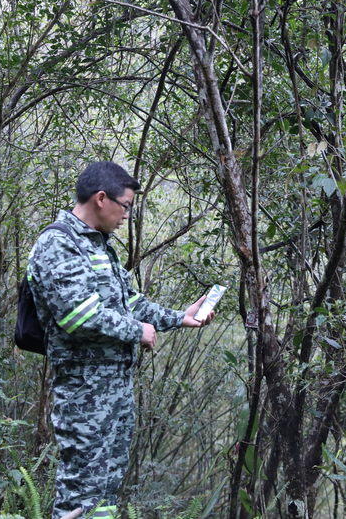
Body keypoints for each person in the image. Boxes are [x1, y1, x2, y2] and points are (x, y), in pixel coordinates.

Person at [27, 161, 214, 518]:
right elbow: (77, 316)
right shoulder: (58, 244)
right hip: (85, 396)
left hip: (114, 393)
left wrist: (179, 317)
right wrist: (136, 330)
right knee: (80, 495)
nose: (127, 215)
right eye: (125, 206)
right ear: (101, 198)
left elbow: (130, 302)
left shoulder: (100, 247)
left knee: (105, 494)